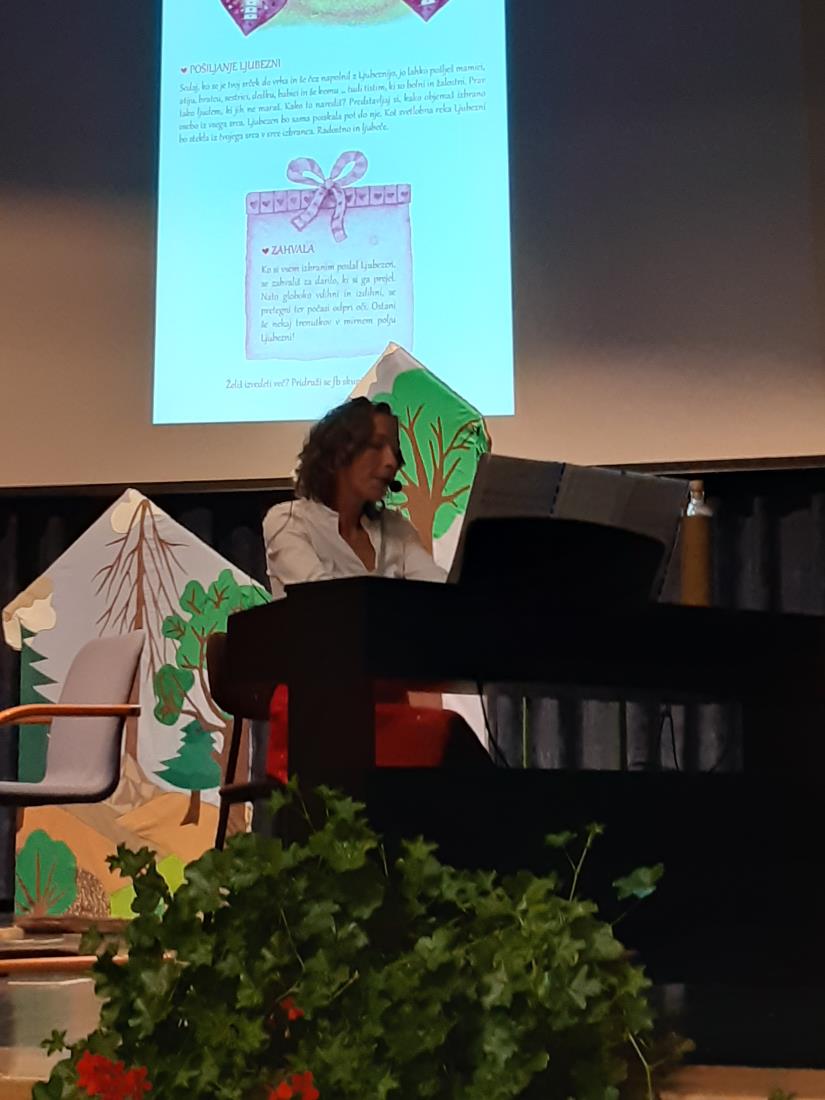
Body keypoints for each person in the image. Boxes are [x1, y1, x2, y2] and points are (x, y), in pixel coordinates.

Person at [262, 396, 490, 780]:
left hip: (389, 713)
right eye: (376, 446)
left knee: (456, 747)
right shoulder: (287, 521)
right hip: (315, 713)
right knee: (452, 750)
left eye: (395, 452)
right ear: (337, 453)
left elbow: (441, 594)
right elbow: (326, 605)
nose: (391, 462)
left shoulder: (395, 529)